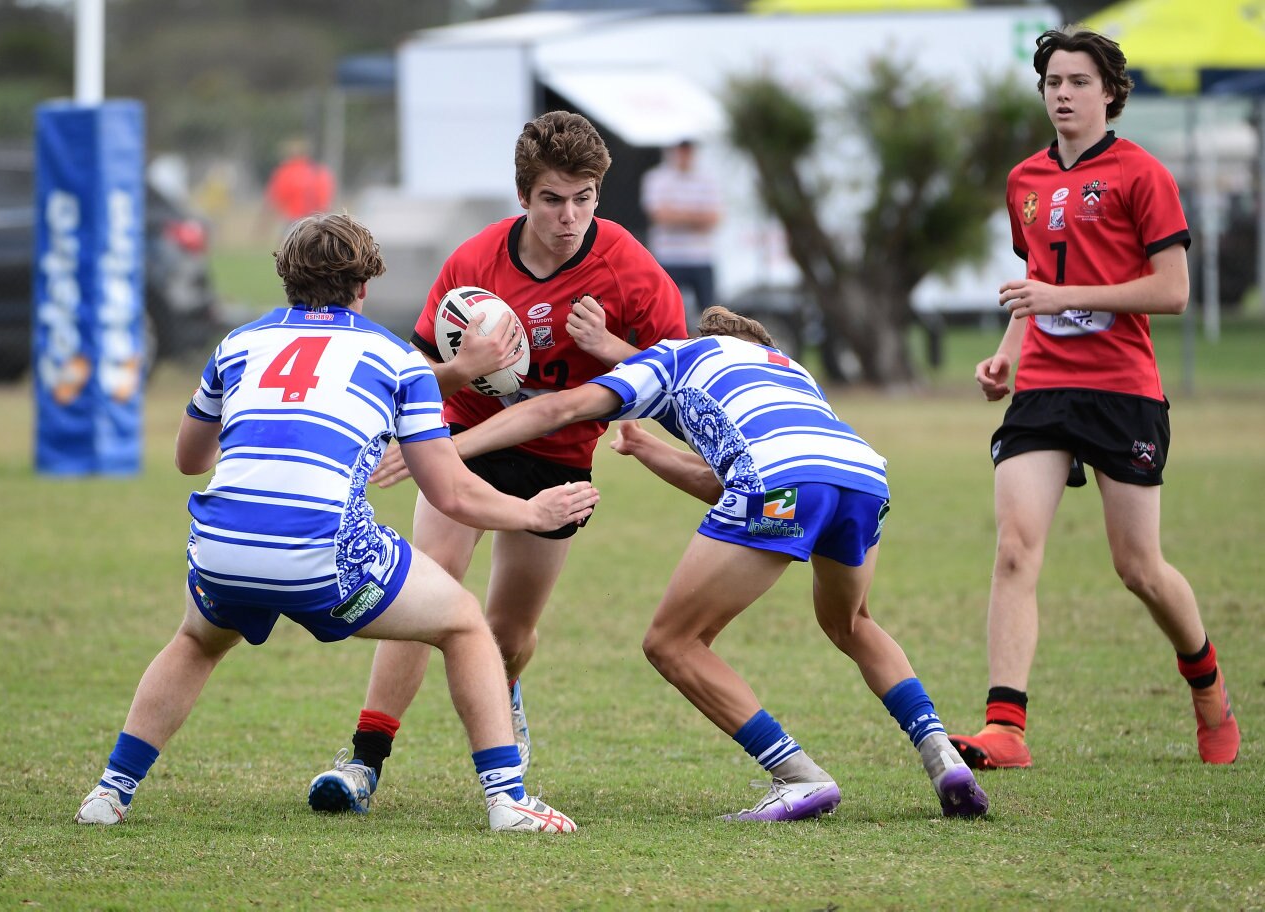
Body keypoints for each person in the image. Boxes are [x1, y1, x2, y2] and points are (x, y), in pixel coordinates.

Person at [74, 214, 598, 834]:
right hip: (320, 549)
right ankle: (508, 802)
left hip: (221, 543)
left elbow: (189, 460)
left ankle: (109, 794)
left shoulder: (237, 345)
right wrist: (531, 512)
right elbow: (451, 493)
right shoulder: (395, 358)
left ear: (286, 277)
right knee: (463, 625)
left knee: (196, 641)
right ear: (365, 284)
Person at [372, 306, 990, 821]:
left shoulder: (676, 356)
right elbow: (740, 484)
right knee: (852, 621)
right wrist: (648, 449)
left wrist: (446, 448)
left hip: (782, 477)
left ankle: (799, 776)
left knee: (672, 641)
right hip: (860, 474)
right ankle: (943, 758)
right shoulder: (789, 369)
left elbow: (557, 409)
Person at [320, 111, 687, 805]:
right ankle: (363, 761)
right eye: (553, 199)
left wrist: (614, 352)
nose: (569, 216)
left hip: (557, 457)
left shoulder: (627, 267)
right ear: (524, 197)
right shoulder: (475, 261)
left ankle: (506, 684)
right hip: (468, 436)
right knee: (423, 590)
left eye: (584, 199)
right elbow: (420, 372)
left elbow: (684, 372)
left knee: (508, 632)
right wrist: (463, 370)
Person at [948, 27, 1240, 771]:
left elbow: (1171, 291)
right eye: (1052, 82)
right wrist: (1006, 357)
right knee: (1014, 549)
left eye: (1078, 81)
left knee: (1138, 567)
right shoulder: (1024, 181)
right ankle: (1005, 728)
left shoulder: (1143, 174)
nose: (1063, 94)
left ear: (1110, 91)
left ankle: (1205, 682)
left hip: (1120, 388)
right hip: (1044, 385)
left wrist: (1060, 295)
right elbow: (1033, 289)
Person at [640, 139, 723, 321]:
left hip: (700, 257)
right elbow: (660, 216)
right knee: (664, 313)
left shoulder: (708, 178)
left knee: (710, 315)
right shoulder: (657, 177)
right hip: (668, 257)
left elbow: (714, 219)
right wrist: (697, 216)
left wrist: (676, 214)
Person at [264, 138, 334, 227]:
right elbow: (325, 196)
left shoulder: (286, 171)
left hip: (294, 218)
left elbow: (276, 196)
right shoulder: (318, 171)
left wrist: (266, 220)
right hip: (317, 218)